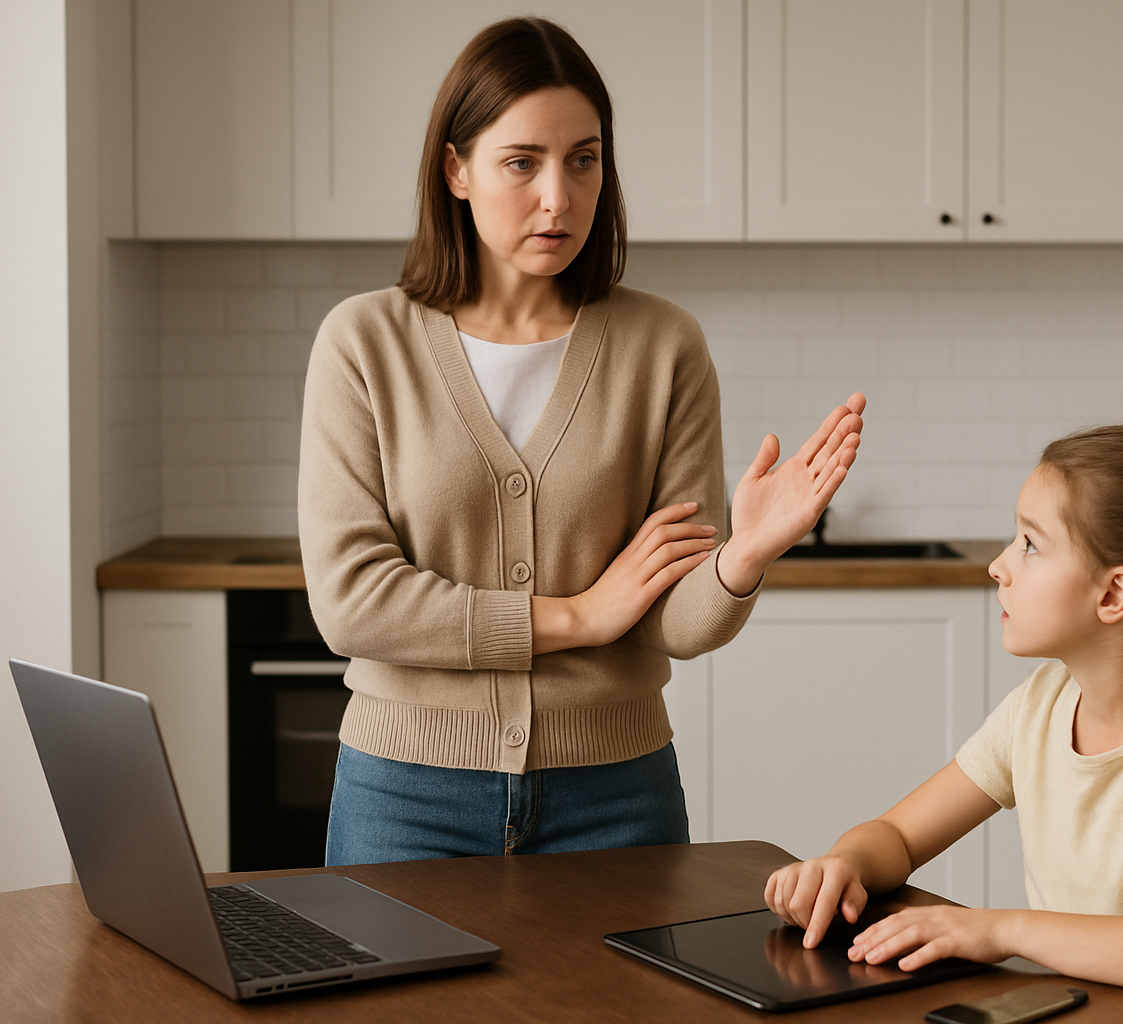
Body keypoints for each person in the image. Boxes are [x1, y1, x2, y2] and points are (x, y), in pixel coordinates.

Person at [298, 16, 864, 866]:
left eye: (584, 159)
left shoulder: (664, 346)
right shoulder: (363, 343)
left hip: (617, 792)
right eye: (521, 162)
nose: (558, 197)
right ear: (456, 170)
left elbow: (672, 619)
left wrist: (745, 555)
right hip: (405, 791)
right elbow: (351, 602)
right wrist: (576, 617)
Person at [764, 426, 1123, 1023]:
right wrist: (844, 864)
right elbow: (898, 837)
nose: (998, 565)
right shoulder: (1040, 707)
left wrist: (1003, 929)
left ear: (1114, 595)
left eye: (1030, 544)